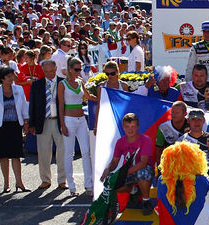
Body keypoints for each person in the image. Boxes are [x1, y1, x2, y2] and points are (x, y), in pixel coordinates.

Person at [100, 112, 156, 214]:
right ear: (123, 127)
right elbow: (114, 161)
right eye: (127, 126)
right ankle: (134, 191)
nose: (130, 129)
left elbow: (143, 163)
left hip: (144, 170)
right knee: (111, 182)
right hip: (129, 171)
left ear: (138, 127)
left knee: (142, 173)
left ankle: (146, 201)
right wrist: (108, 169)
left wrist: (124, 173)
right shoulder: (120, 142)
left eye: (133, 126)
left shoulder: (145, 140)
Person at [0, 66, 29, 193]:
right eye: (9, 76)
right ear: (2, 78)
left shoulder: (18, 89)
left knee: (16, 155)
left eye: (12, 75)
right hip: (1, 126)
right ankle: (6, 183)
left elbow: (24, 107)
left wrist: (26, 123)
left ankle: (19, 182)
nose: (12, 78)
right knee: (3, 156)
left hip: (15, 125)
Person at [27, 59, 66, 190]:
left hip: (60, 121)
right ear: (43, 71)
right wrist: (31, 123)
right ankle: (45, 179)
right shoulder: (37, 85)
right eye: (46, 72)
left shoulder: (63, 82)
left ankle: (62, 180)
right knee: (43, 152)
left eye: (52, 71)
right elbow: (32, 105)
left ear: (56, 69)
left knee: (62, 151)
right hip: (43, 121)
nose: (49, 74)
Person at [59, 57, 94, 195]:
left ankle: (88, 184)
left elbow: (89, 96)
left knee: (86, 151)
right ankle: (72, 187)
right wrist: (62, 124)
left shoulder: (80, 82)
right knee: (69, 154)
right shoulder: (62, 84)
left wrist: (104, 96)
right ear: (70, 69)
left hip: (81, 120)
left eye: (80, 69)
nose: (79, 72)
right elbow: (60, 105)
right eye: (76, 69)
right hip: (68, 120)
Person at [180, 108, 209, 173]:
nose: (196, 122)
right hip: (187, 173)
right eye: (193, 119)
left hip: (207, 172)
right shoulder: (181, 140)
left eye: (199, 119)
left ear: (203, 120)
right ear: (188, 121)